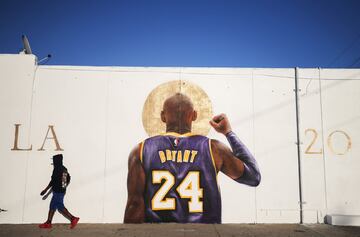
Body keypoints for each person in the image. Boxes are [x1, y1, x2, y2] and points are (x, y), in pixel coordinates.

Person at [124, 93, 261, 223]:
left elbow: (135, 205)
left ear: (162, 116)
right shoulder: (214, 149)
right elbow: (253, 177)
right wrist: (228, 133)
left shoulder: (141, 150)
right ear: (194, 115)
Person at [39, 154, 80, 229]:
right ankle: (48, 223)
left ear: (57, 161)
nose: (54, 162)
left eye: (54, 161)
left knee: (60, 207)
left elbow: (65, 181)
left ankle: (73, 219)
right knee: (52, 206)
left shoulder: (62, 170)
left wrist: (60, 190)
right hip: (56, 191)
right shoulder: (56, 169)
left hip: (59, 192)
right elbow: (53, 181)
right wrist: (46, 190)